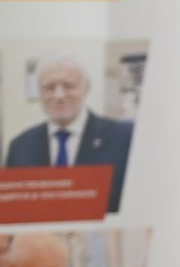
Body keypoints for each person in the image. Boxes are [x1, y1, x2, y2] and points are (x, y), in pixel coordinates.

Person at [5, 55, 135, 213]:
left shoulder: (123, 138)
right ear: (39, 92)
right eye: (49, 87)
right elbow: (13, 211)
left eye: (69, 86)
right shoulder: (20, 147)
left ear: (86, 89)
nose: (59, 95)